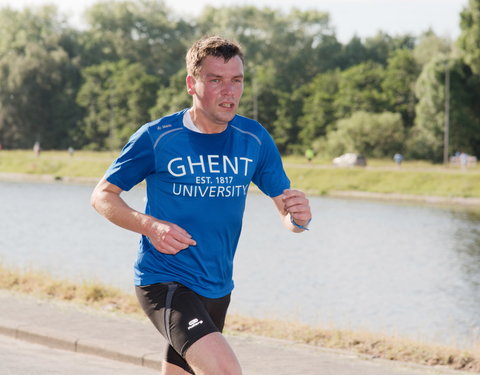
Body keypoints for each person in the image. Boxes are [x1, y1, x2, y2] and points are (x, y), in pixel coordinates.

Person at [91, 35, 312, 375]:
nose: (230, 91)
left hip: (218, 285)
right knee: (224, 370)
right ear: (191, 84)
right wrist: (150, 225)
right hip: (165, 279)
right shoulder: (158, 137)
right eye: (216, 80)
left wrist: (296, 218)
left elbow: (285, 207)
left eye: (237, 81)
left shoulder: (254, 138)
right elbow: (102, 196)